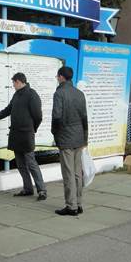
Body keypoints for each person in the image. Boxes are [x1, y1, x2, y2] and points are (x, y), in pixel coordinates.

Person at [0, 73, 47, 200]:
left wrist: (32, 129)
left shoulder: (32, 94)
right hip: (16, 135)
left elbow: (38, 116)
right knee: (21, 164)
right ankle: (28, 189)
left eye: (13, 83)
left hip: (26, 134)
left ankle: (42, 190)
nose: (13, 85)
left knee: (31, 163)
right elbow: (7, 110)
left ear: (18, 82)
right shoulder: (16, 95)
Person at [51, 66, 88, 216]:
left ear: (61, 77)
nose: (57, 78)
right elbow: (84, 117)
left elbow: (56, 117)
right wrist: (85, 137)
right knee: (77, 172)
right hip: (79, 137)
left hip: (65, 137)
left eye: (57, 76)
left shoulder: (59, 93)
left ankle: (71, 206)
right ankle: (78, 204)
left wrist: (55, 133)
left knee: (68, 173)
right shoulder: (79, 94)